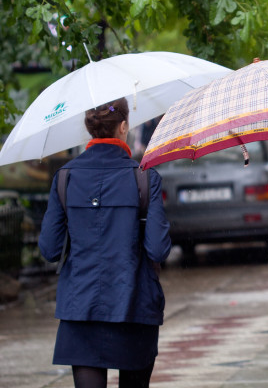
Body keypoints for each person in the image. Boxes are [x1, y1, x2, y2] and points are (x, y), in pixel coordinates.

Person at [38, 98, 171, 388]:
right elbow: (158, 249)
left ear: (90, 127)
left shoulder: (65, 177)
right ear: (123, 126)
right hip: (133, 308)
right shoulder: (145, 178)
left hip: (80, 310)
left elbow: (49, 249)